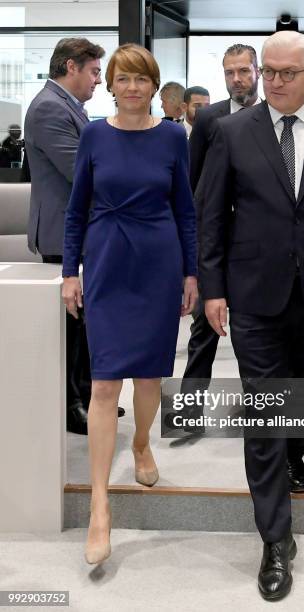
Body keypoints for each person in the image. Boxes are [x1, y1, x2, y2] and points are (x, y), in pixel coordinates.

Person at [199, 31, 304, 601]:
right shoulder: (230, 131)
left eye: (284, 73)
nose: (273, 81)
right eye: (266, 71)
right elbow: (212, 218)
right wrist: (213, 289)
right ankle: (275, 539)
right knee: (266, 411)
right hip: (255, 298)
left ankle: (294, 457)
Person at [62, 43, 198, 565]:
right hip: (106, 262)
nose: (134, 87)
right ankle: (100, 505)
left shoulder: (172, 137)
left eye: (143, 79)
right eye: (123, 79)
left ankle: (141, 441)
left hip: (158, 263)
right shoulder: (94, 133)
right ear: (112, 85)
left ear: (154, 85)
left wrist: (191, 272)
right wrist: (68, 272)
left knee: (148, 378)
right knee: (103, 381)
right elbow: (76, 211)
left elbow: (185, 209)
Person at [23, 37, 122, 435]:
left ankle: (84, 393)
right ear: (70, 67)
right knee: (70, 327)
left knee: (83, 324)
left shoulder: (70, 106)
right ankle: (70, 406)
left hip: (81, 232)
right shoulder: (50, 108)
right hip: (62, 232)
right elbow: (82, 172)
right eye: (95, 71)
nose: (99, 81)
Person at [178, 44, 260, 433]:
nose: (237, 79)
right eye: (230, 72)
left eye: (244, 71)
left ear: (257, 72)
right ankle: (189, 410)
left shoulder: (273, 117)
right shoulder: (209, 119)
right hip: (212, 241)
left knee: (254, 331)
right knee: (202, 327)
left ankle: (257, 405)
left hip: (256, 244)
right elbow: (192, 180)